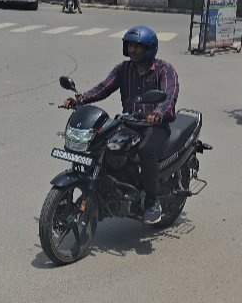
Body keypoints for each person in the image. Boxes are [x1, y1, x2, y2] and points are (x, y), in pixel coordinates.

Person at [62, 25, 180, 224]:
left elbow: (169, 95)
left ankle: (152, 202)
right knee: (102, 145)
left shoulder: (164, 69)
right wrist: (80, 98)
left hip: (155, 125)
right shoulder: (124, 69)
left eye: (137, 46)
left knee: (147, 151)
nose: (132, 50)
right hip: (129, 121)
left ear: (149, 48)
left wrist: (158, 112)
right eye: (130, 45)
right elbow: (103, 88)